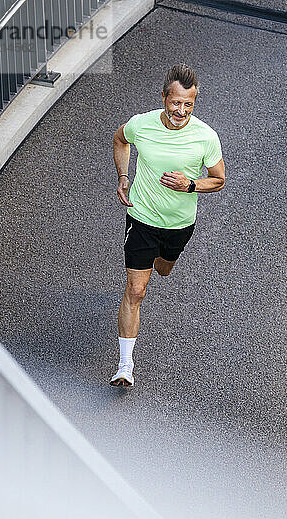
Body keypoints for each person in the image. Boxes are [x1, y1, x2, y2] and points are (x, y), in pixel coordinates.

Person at [110, 63, 225, 387]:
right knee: (136, 289)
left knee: (163, 269)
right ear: (164, 98)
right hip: (142, 216)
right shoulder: (142, 125)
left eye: (188, 104)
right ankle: (125, 366)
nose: (181, 111)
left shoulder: (205, 136)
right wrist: (123, 176)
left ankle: (162, 261)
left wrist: (190, 184)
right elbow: (120, 140)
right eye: (176, 103)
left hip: (179, 224)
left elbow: (219, 180)